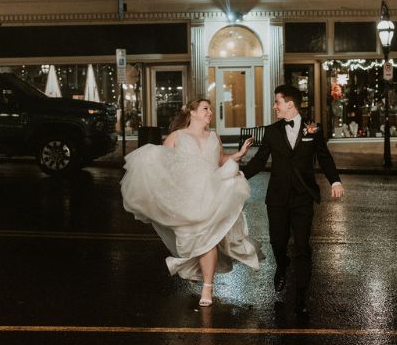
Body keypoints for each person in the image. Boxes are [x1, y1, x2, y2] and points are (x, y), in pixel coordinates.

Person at [121, 99, 261, 307]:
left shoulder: (214, 137)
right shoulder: (177, 137)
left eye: (211, 109)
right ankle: (188, 267)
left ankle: (207, 288)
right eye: (205, 109)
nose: (210, 112)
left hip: (211, 194)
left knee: (209, 239)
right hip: (186, 198)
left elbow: (220, 160)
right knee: (189, 241)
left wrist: (239, 154)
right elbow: (163, 164)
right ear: (192, 112)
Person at [241, 84, 345, 314]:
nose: (275, 106)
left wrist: (335, 181)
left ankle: (301, 294)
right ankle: (282, 264)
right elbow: (259, 161)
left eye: (277, 102)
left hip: (303, 197)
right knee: (278, 241)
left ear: (290, 104)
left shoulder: (313, 129)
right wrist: (238, 176)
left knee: (301, 245)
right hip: (277, 198)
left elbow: (324, 158)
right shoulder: (271, 131)